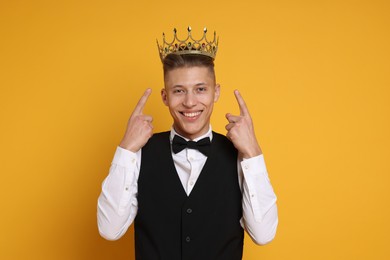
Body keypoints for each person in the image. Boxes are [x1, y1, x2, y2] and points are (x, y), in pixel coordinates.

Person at [97, 27, 278, 260]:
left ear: (216, 92)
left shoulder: (242, 156)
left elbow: (263, 235)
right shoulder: (139, 153)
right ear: (165, 96)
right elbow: (109, 230)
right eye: (179, 91)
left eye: (200, 89)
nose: (190, 102)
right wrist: (126, 149)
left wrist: (253, 152)